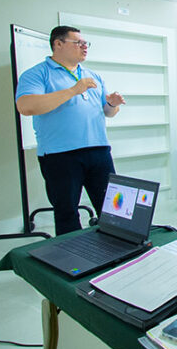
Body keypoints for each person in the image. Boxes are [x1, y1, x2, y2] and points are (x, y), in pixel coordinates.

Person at [15, 26, 125, 235]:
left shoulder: (92, 75)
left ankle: (117, 250)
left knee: (112, 210)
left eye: (85, 43)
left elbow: (108, 112)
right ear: (58, 44)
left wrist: (112, 104)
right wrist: (74, 90)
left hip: (99, 151)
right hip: (60, 155)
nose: (84, 47)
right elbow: (26, 106)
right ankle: (72, 255)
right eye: (78, 43)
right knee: (67, 213)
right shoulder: (37, 74)